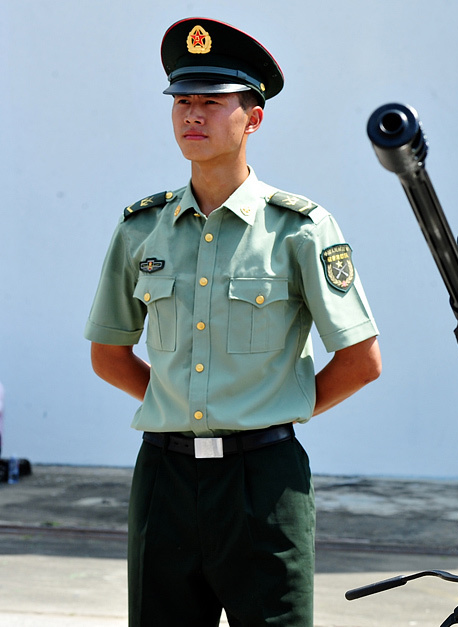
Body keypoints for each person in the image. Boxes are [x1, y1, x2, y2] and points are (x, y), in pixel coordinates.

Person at [84, 18, 381, 626]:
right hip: (164, 480)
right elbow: (109, 354)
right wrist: (181, 403)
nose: (193, 116)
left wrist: (264, 408)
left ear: (253, 118)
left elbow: (360, 360)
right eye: (183, 102)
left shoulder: (300, 230)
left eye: (213, 103)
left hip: (263, 483)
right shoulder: (141, 229)